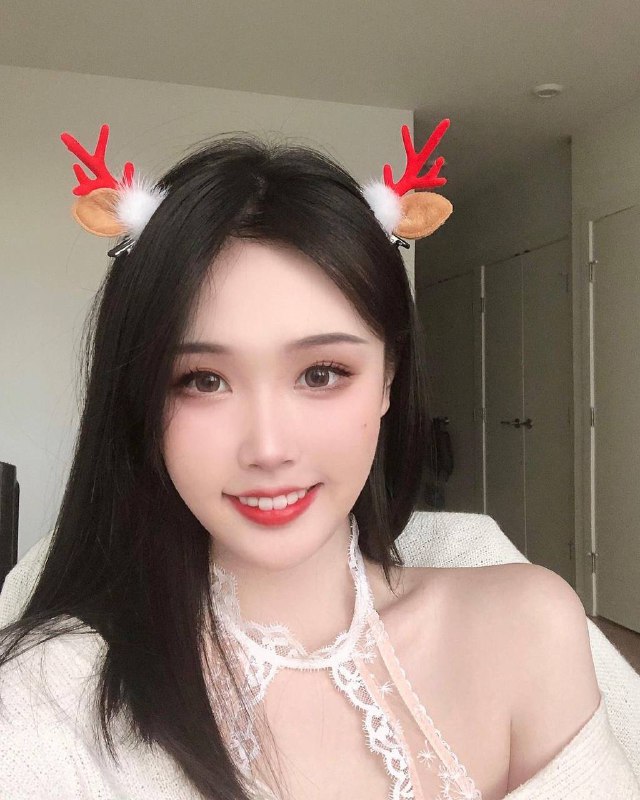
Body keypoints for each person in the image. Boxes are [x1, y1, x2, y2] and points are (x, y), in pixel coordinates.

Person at [0, 122, 637, 800]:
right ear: (140, 399)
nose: (269, 448)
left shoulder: (525, 626)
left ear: (388, 377)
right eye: (202, 380)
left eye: (322, 373)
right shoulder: (48, 701)